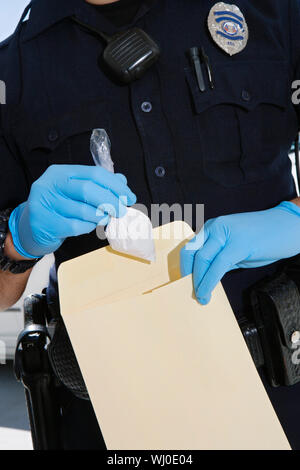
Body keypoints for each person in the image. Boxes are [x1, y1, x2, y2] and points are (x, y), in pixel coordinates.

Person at [1, 0, 300, 449]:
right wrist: (18, 239)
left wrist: (293, 221)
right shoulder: (12, 72)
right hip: (107, 413)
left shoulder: (275, 11)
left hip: (278, 390)